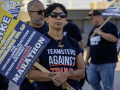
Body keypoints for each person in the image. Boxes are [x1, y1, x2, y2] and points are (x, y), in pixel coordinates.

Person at [27, 3, 85, 90]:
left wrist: (66, 74)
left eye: (62, 15)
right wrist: (55, 76)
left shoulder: (73, 43)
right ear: (46, 19)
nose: (58, 17)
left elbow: (82, 72)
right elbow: (31, 73)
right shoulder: (39, 43)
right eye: (54, 15)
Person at [85, 10, 118, 90]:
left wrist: (100, 33)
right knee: (92, 80)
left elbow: (113, 39)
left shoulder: (110, 26)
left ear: (97, 16)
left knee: (107, 86)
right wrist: (86, 59)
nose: (90, 21)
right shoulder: (93, 30)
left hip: (107, 63)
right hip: (94, 62)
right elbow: (89, 46)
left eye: (91, 18)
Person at [19, 0, 49, 90]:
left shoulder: (52, 31)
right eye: (40, 12)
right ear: (29, 13)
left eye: (45, 11)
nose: (43, 14)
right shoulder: (21, 32)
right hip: (27, 84)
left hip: (48, 83)